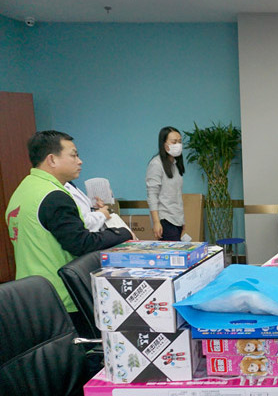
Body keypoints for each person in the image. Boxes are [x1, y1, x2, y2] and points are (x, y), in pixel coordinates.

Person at [5, 130, 132, 314]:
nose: (79, 161)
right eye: (73, 155)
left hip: (29, 292)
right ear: (52, 160)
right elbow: (81, 243)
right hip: (59, 295)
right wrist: (122, 233)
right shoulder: (53, 196)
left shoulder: (24, 189)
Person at [146, 126, 185, 241]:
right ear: (164, 144)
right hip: (165, 219)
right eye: (174, 142)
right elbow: (152, 195)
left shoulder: (175, 165)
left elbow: (176, 196)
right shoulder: (156, 164)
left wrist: (181, 220)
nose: (178, 145)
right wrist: (156, 222)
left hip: (176, 219)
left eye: (180, 141)